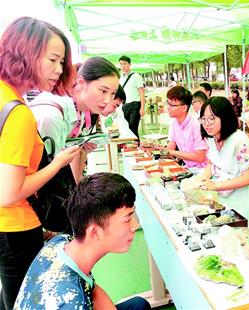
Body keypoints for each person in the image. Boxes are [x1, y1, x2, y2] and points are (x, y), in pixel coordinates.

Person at [0, 16, 80, 310]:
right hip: (16, 228)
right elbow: (9, 192)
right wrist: (57, 163)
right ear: (26, 51)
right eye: (53, 59)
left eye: (62, 62)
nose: (59, 70)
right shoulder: (18, 113)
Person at [14, 172, 151, 310]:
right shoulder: (73, 304)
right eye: (128, 219)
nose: (135, 225)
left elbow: (90, 287)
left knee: (139, 305)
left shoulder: (61, 243)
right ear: (95, 232)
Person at [29, 57, 120, 182]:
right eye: (103, 91)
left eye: (112, 93)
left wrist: (79, 148)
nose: (107, 100)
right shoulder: (53, 116)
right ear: (81, 83)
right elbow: (42, 167)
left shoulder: (80, 113)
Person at [199, 96, 249, 234]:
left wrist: (215, 186)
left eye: (211, 119)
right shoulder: (212, 137)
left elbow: (248, 178)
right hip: (224, 192)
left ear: (225, 118)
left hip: (244, 195)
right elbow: (211, 162)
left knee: (242, 235)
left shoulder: (239, 141)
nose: (206, 123)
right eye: (203, 119)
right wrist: (205, 178)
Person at [165, 86, 208, 168]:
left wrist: (172, 152)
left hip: (203, 169)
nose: (168, 107)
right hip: (188, 168)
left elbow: (200, 157)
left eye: (172, 105)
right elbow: (170, 148)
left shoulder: (196, 124)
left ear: (184, 107)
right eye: (168, 103)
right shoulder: (174, 123)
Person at [119, 55, 145, 141]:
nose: (123, 66)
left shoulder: (136, 76)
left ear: (130, 64)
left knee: (133, 128)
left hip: (135, 105)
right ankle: (130, 148)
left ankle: (137, 147)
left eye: (125, 64)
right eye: (121, 64)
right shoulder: (121, 78)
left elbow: (142, 93)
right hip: (125, 105)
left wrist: (142, 108)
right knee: (127, 129)